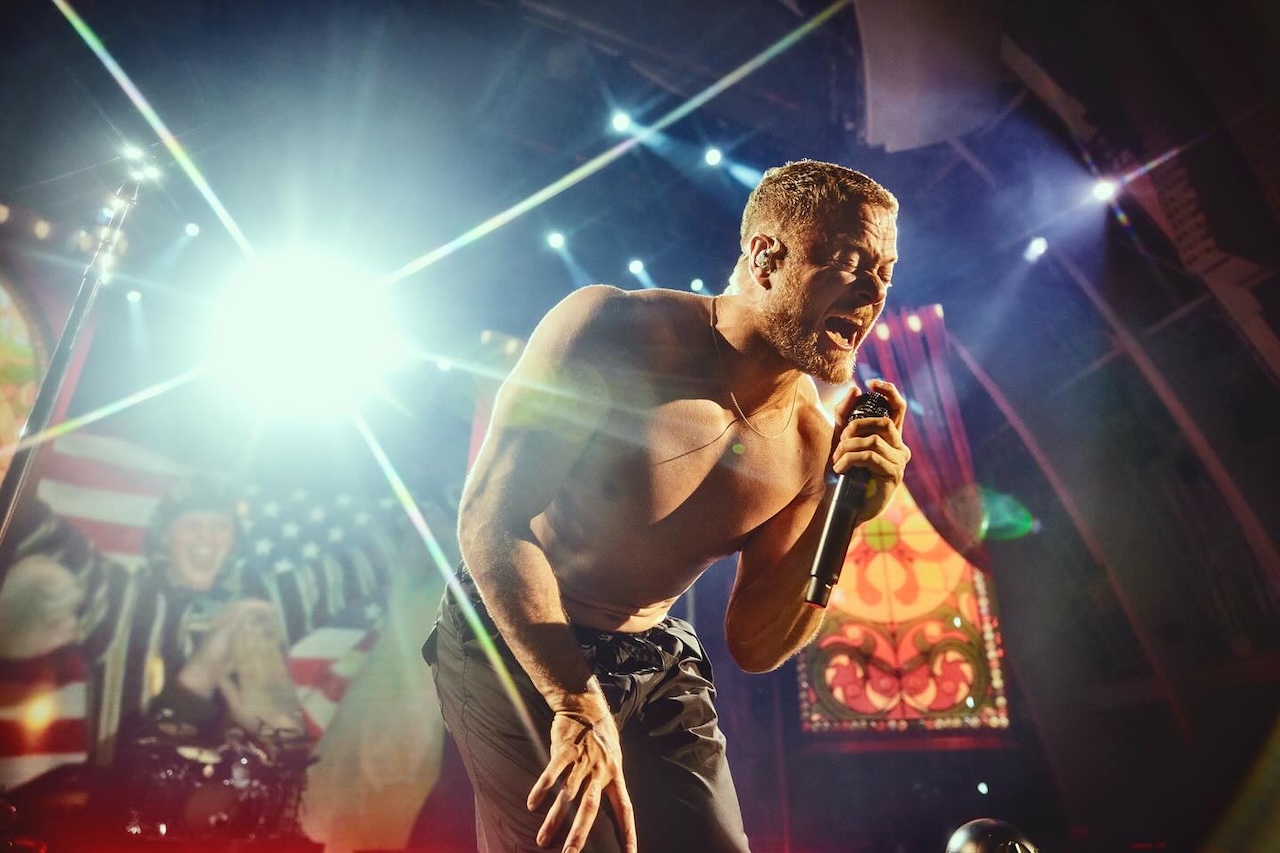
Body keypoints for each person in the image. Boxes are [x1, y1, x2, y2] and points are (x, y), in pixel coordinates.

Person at [425, 160, 910, 853]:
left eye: (885, 272)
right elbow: (489, 520)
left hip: (652, 655)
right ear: (766, 257)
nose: (874, 291)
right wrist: (573, 700)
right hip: (513, 631)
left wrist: (847, 513)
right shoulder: (614, 331)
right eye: (850, 263)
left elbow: (756, 643)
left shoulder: (812, 439)